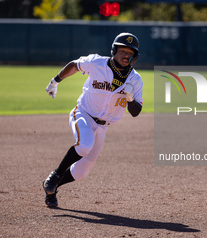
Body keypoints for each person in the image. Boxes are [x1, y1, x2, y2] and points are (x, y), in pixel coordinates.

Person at [42, 32, 143, 207]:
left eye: (130, 53)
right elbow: (75, 65)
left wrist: (131, 99)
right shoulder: (96, 63)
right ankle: (55, 175)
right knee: (84, 145)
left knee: (80, 172)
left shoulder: (135, 79)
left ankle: (51, 188)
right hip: (83, 114)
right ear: (114, 50)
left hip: (103, 127)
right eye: (123, 51)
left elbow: (136, 112)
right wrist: (55, 81)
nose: (126, 55)